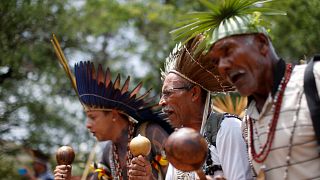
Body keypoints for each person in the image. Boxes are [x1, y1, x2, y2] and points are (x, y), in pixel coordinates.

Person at [171, 0, 320, 179]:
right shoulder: (248, 121)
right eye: (216, 61)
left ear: (261, 43)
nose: (223, 66)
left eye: (228, 51)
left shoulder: (314, 79)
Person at [129, 35, 253, 180]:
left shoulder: (227, 129)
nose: (162, 102)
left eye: (168, 93)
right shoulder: (178, 143)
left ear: (194, 93)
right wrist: (148, 177)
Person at [52, 61, 173, 180]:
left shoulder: (151, 132)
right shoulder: (109, 151)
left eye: (93, 117)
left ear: (114, 115)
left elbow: (182, 175)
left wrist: (149, 178)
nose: (88, 125)